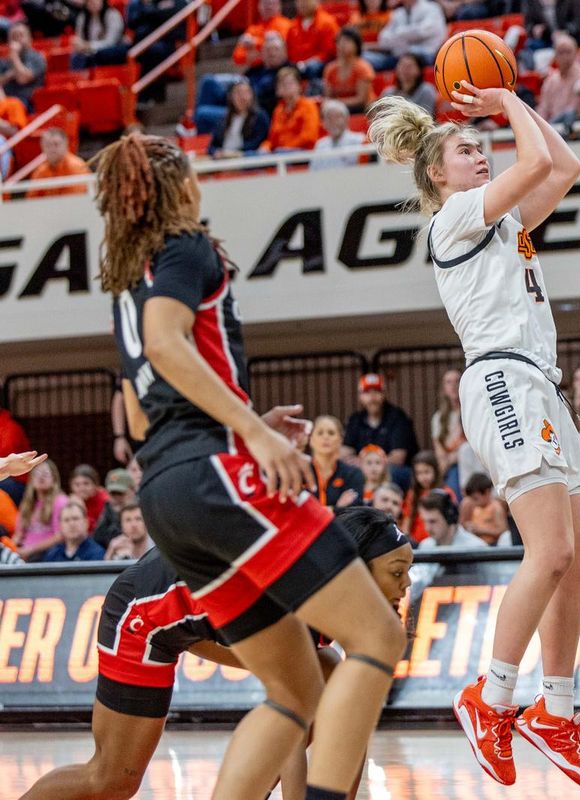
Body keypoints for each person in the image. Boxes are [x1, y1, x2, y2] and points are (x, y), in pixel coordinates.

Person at [95, 132, 403, 800]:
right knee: (378, 634)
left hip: (167, 495)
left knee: (296, 686)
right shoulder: (186, 248)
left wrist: (239, 425)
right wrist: (248, 436)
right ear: (180, 187)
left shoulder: (128, 282)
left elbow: (144, 414)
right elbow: (167, 343)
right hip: (213, 475)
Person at [369, 85, 580, 790]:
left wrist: (512, 104)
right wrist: (501, 99)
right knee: (550, 549)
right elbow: (532, 166)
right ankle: (490, 696)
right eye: (466, 150)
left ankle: (555, 711)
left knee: (579, 559)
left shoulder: (505, 224)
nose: (480, 154)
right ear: (437, 173)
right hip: (502, 378)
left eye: (481, 147)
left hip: (542, 384)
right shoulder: (455, 217)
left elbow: (562, 168)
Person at [18, 506, 413, 800]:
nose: (406, 583)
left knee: (339, 678)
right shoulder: (299, 591)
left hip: (203, 614)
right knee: (111, 779)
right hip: (145, 614)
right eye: (397, 572)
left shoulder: (333, 584)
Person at [342, 372, 419, 486]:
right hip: (364, 469)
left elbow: (398, 458)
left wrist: (367, 464)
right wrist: (367, 465)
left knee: (392, 471)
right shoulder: (355, 419)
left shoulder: (397, 417)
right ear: (360, 396)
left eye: (377, 391)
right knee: (346, 472)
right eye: (367, 392)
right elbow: (344, 454)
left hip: (393, 471)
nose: (372, 397)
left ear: (384, 393)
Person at [13, 458, 70, 562]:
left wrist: (30, 550)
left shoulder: (60, 501)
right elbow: (18, 535)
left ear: (54, 479)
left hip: (47, 554)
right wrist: (11, 549)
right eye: (37, 473)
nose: (41, 477)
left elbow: (60, 536)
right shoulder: (27, 503)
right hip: (23, 553)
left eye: (46, 473)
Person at [537, 32, 580, 123]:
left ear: (576, 53)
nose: (565, 56)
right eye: (561, 52)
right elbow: (543, 109)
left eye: (568, 52)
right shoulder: (550, 80)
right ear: (555, 56)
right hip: (554, 127)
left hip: (579, 126)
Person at [309, 414, 366, 508]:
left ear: (340, 440)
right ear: (311, 439)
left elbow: (353, 512)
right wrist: (338, 507)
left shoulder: (353, 474)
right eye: (320, 433)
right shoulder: (300, 473)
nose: (325, 437)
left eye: (331, 433)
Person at [430, 368, 469, 496]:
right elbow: (440, 455)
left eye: (457, 381)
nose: (453, 385)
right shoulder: (438, 418)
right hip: (452, 468)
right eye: (448, 382)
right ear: (443, 389)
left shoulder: (472, 411)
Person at [376, 0, 447, 68]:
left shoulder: (432, 7)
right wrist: (408, 35)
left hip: (427, 54)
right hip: (400, 55)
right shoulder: (397, 13)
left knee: (408, 61)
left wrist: (399, 34)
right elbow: (383, 39)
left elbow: (422, 32)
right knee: (374, 60)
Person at [401, 450, 452, 544]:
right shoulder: (413, 494)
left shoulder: (445, 492)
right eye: (419, 473)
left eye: (427, 472)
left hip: (438, 542)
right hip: (416, 543)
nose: (423, 477)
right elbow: (407, 520)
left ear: (435, 471)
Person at [267, 66, 321, 152]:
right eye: (282, 83)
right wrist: (265, 147)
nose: (286, 86)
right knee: (252, 155)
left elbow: (309, 137)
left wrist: (286, 148)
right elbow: (272, 139)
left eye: (289, 83)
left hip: (303, 152)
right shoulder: (278, 110)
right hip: (281, 153)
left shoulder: (308, 106)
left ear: (299, 86)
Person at [323, 27, 376, 113]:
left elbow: (361, 100)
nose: (342, 44)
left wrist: (337, 103)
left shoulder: (363, 68)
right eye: (339, 41)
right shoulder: (330, 69)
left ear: (357, 45)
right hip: (339, 110)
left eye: (347, 41)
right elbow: (328, 96)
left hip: (362, 110)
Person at [28, 128, 90, 199]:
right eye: (48, 145)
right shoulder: (41, 171)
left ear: (66, 144)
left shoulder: (76, 167)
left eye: (56, 144)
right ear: (42, 147)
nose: (52, 149)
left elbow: (74, 199)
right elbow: (31, 199)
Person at [416, 489, 487, 549]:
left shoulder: (476, 548)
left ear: (449, 518)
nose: (427, 528)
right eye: (424, 521)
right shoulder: (425, 546)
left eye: (433, 521)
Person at [287, 0, 339, 79]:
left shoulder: (327, 22)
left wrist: (307, 62)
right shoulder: (293, 25)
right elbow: (289, 50)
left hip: (318, 65)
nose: (302, 3)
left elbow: (329, 52)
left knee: (312, 67)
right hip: (296, 65)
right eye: (299, 1)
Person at [41, 499, 106, 562]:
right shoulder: (52, 555)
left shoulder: (96, 553)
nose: (71, 524)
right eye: (66, 520)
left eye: (75, 519)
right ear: (60, 525)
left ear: (86, 523)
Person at [0, 23, 47, 110]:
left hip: (28, 102)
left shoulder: (37, 58)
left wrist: (14, 55)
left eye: (20, 35)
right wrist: (10, 75)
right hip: (6, 101)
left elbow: (22, 79)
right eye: (14, 37)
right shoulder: (3, 62)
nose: (17, 40)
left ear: (30, 39)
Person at [69, 0, 126, 70]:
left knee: (99, 55)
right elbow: (80, 39)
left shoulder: (113, 15)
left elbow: (110, 43)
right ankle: (78, 78)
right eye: (89, 1)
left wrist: (88, 45)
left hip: (110, 52)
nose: (93, 3)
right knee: (76, 56)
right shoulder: (83, 17)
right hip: (89, 52)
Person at [244, 32, 293, 113]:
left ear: (285, 51)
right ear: (262, 53)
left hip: (262, 111)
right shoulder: (255, 69)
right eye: (268, 50)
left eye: (276, 49)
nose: (272, 53)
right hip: (242, 105)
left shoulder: (289, 70)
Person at [232, 0, 291, 66]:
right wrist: (262, 55)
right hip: (256, 69)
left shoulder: (286, 25)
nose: (269, 6)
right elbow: (237, 57)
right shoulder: (253, 29)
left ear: (279, 6)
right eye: (266, 3)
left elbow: (283, 50)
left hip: (279, 67)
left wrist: (255, 43)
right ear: (259, 6)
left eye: (272, 3)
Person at [312, 99, 367, 169]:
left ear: (346, 119)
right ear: (323, 123)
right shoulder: (320, 145)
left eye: (337, 117)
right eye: (329, 118)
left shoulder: (360, 141)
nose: (333, 122)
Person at [458, 472, 510, 544]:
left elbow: (503, 530)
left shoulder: (495, 508)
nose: (474, 502)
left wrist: (481, 530)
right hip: (476, 543)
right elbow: (463, 523)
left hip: (492, 544)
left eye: (476, 499)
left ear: (487, 492)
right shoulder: (475, 507)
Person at [383, 52, 438, 117]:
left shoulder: (426, 90)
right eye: (402, 65)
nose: (405, 69)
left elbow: (426, 118)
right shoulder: (388, 92)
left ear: (419, 70)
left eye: (410, 66)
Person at [91, 468, 135, 549]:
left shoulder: (142, 510)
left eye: (120, 493)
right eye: (113, 493)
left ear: (132, 490)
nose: (116, 498)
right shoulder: (108, 509)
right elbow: (97, 538)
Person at [70, 464, 110, 530]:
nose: (82, 488)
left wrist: (81, 508)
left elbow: (97, 530)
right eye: (77, 484)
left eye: (86, 483)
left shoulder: (104, 500)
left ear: (95, 485)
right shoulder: (72, 500)